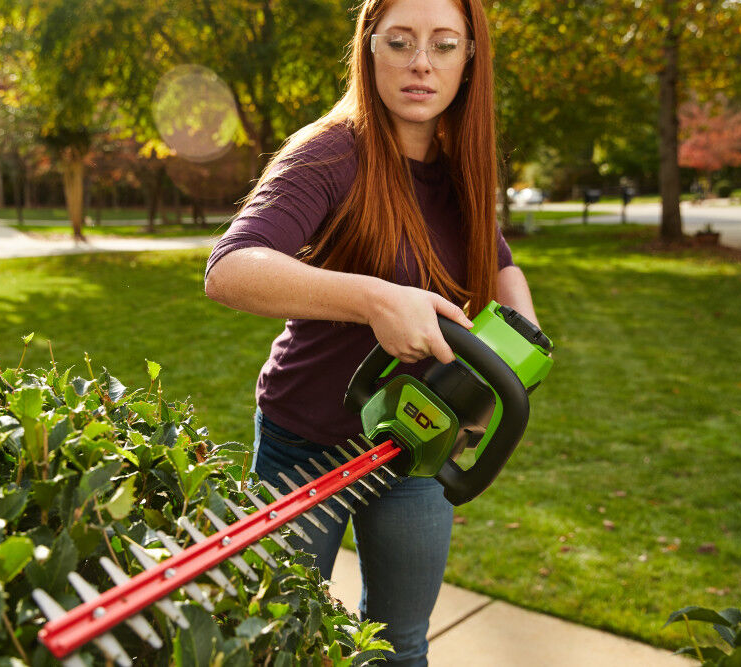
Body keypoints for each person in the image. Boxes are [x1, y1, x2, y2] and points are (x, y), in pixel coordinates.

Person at [204, 0, 539, 664]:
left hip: (413, 443)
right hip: (306, 440)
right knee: (277, 640)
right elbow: (231, 269)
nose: (421, 63)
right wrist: (375, 299)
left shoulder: (459, 161)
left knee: (398, 644)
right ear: (369, 47)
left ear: (470, 60)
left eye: (444, 45)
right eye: (401, 42)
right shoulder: (330, 152)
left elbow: (497, 258)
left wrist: (520, 324)